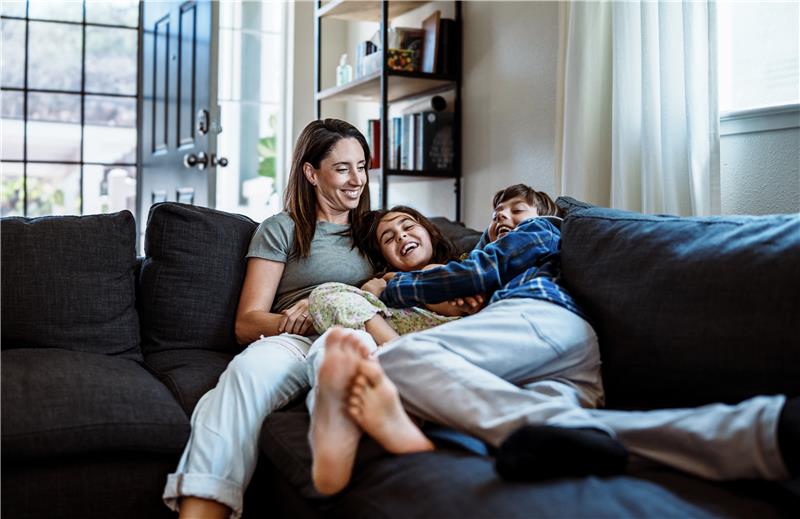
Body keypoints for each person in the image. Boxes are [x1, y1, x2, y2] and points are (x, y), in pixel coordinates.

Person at [311, 183, 799, 494]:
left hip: (543, 317)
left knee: (395, 360)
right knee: (552, 434)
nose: (502, 218)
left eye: (515, 210)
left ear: (540, 213)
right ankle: (760, 435)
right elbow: (473, 273)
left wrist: (393, 287)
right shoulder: (482, 261)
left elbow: (479, 271)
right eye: (496, 213)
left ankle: (378, 427)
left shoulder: (544, 230)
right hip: (564, 369)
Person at [162, 119, 376, 519]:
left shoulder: (376, 230)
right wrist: (298, 320)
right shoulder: (282, 228)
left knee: (340, 369)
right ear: (311, 173)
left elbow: (410, 276)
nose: (357, 180)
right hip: (291, 339)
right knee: (242, 378)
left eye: (362, 167)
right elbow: (247, 323)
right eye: (342, 168)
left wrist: (325, 302)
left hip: (353, 332)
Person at [307, 206, 481, 346]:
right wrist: (370, 294)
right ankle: (398, 350)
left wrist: (398, 280)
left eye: (408, 227)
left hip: (446, 336)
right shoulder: (380, 286)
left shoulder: (465, 264)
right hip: (395, 341)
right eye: (389, 239)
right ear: (384, 258)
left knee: (432, 271)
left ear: (430, 233)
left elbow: (458, 302)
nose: (401, 235)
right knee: (323, 293)